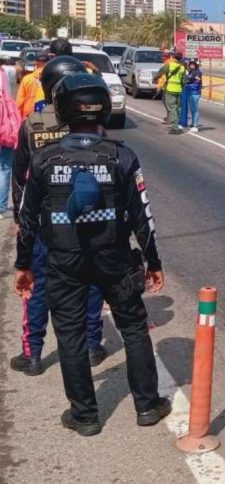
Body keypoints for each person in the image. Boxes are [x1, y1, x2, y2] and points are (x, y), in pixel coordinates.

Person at [14, 72, 171, 436]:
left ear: (62, 110)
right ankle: (148, 406)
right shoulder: (121, 156)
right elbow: (142, 215)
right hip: (114, 259)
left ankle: (84, 416)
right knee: (133, 327)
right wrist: (154, 262)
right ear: (103, 111)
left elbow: (28, 218)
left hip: (63, 261)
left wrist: (24, 265)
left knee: (68, 334)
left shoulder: (44, 160)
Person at [10, 56, 109, 376]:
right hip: (86, 218)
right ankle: (93, 346)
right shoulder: (92, 124)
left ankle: (33, 354)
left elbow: (19, 174)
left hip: (41, 220)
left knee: (36, 286)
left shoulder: (33, 124)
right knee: (90, 283)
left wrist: (17, 217)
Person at [0, 61, 21, 220]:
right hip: (6, 129)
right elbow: (20, 68)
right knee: (5, 169)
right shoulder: (6, 72)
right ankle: (1, 208)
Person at [154, 50, 185, 134]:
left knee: (172, 108)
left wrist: (155, 78)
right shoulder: (182, 67)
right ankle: (176, 123)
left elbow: (160, 72)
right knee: (178, 108)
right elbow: (184, 80)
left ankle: (175, 127)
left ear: (174, 57)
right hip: (179, 90)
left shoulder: (169, 65)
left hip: (170, 89)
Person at [16, 54, 48, 118]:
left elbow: (19, 102)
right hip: (47, 116)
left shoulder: (27, 79)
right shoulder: (52, 78)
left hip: (28, 116)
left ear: (35, 64)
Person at [184, 59, 203, 132]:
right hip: (189, 92)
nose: (192, 65)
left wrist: (188, 85)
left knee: (195, 109)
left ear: (196, 65)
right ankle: (192, 123)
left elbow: (197, 83)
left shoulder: (198, 72)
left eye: (193, 64)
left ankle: (196, 125)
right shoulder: (191, 72)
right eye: (191, 64)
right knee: (192, 109)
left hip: (195, 93)